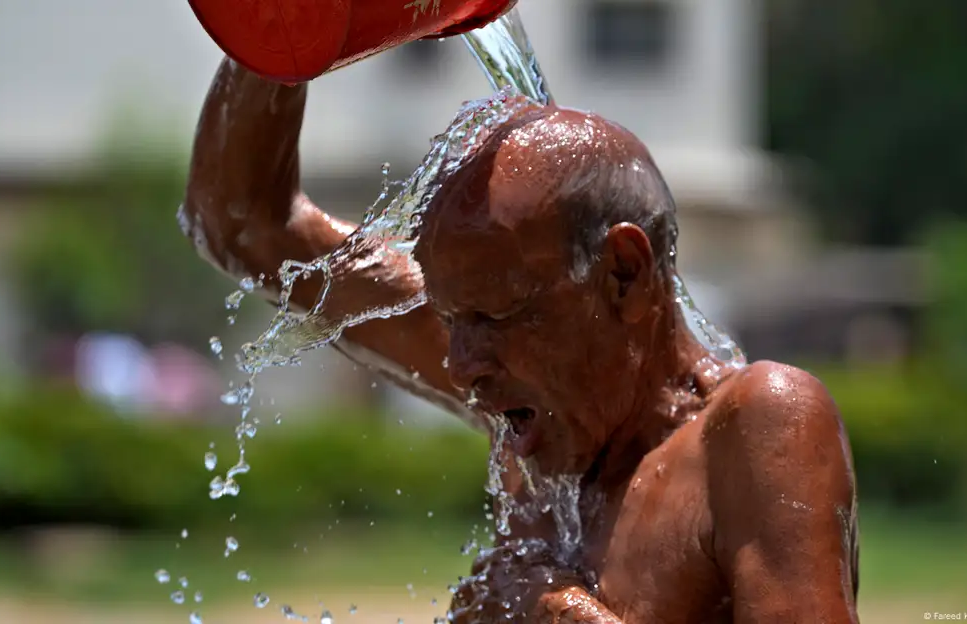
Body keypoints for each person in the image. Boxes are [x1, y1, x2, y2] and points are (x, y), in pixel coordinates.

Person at [180, 58, 861, 624]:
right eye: (450, 321)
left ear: (623, 275)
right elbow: (245, 225)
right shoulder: (531, 404)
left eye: (495, 317)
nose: (459, 364)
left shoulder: (753, 429)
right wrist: (284, 36)